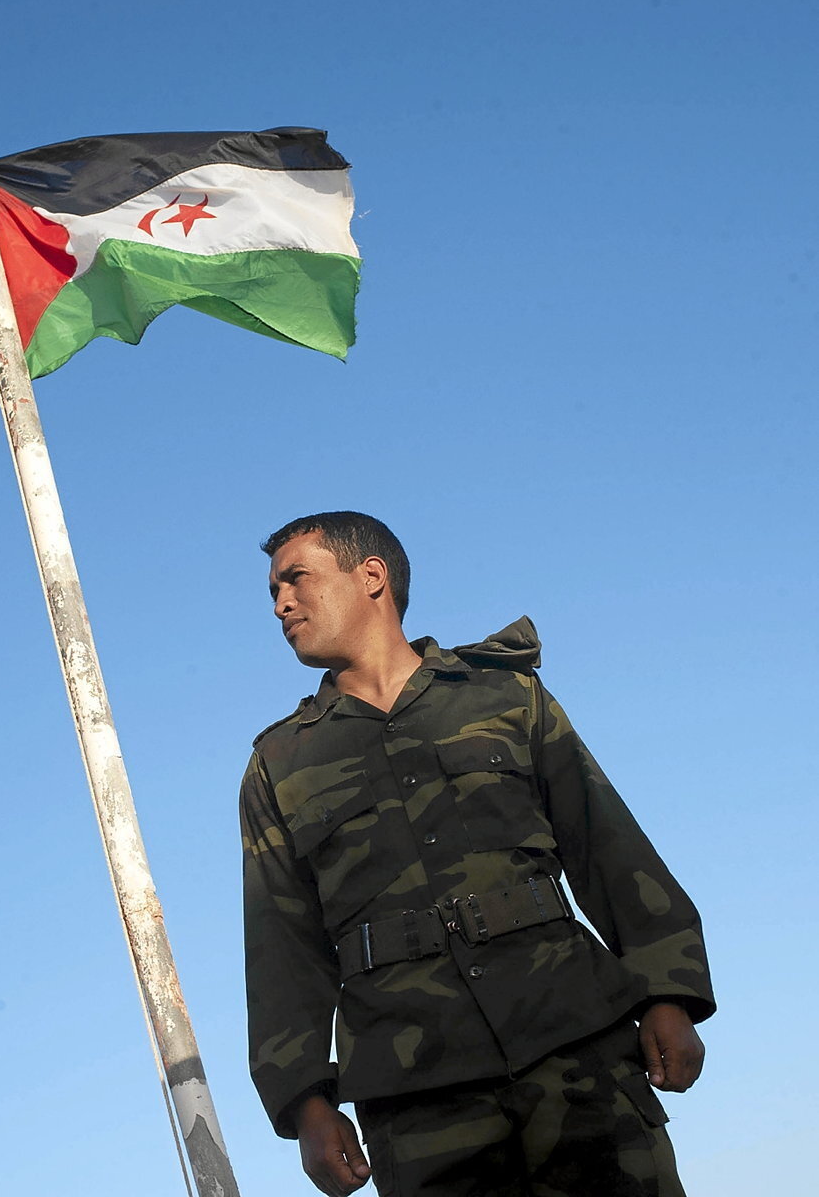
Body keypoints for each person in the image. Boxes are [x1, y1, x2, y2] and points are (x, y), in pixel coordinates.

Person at [240, 511, 714, 1197]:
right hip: (418, 1099)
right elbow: (282, 948)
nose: (282, 603)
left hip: (575, 1045)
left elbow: (606, 844)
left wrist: (670, 991)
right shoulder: (278, 764)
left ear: (371, 576)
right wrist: (307, 1101)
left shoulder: (504, 696)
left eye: (296, 579)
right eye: (274, 592)